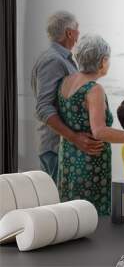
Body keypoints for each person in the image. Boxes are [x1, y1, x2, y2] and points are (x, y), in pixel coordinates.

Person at [57, 34, 124, 216]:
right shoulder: (94, 89)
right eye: (108, 59)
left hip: (68, 158)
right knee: (91, 215)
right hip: (89, 165)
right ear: (102, 61)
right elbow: (100, 131)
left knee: (71, 213)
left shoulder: (66, 82)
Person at [31, 11, 103, 183]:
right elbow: (43, 108)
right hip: (55, 147)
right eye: (77, 29)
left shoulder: (61, 59)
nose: (79, 33)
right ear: (69, 33)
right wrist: (74, 137)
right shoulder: (53, 61)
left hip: (59, 147)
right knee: (58, 203)